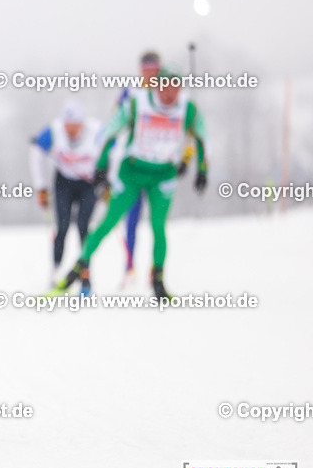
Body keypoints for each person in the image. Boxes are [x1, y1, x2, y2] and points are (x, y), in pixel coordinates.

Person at [54, 68, 208, 298]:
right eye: (165, 89)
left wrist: (201, 170)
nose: (169, 95)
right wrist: (102, 166)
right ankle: (78, 268)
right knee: (108, 222)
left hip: (163, 175)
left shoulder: (188, 109)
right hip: (132, 172)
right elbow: (111, 132)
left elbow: (201, 138)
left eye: (175, 89)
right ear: (155, 87)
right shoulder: (138, 104)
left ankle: (158, 280)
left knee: (158, 226)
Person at [29, 99, 104, 289]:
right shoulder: (54, 130)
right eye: (67, 126)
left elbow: (115, 151)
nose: (70, 130)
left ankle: (85, 276)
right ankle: (55, 272)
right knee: (62, 227)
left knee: (83, 227)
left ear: (82, 123)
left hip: (88, 184)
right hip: (64, 182)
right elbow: (36, 153)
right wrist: (41, 187)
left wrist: (107, 181)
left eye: (75, 126)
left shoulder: (96, 130)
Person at [115, 51, 162, 284]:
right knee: (131, 218)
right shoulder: (131, 91)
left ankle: (157, 270)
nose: (150, 75)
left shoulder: (167, 91)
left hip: (160, 165)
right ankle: (129, 267)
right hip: (134, 163)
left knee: (157, 221)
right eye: (146, 71)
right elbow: (116, 121)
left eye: (154, 71)